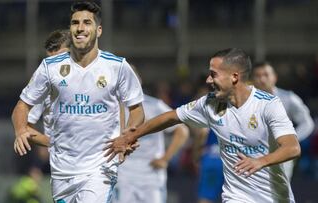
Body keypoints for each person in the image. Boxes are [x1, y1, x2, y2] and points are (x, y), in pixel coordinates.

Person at [105, 48, 301, 202]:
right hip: (237, 197)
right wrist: (132, 135)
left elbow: (292, 148)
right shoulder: (209, 104)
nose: (208, 80)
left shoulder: (268, 105)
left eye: (213, 74)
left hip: (276, 197)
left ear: (234, 76)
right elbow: (171, 117)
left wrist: (260, 161)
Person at [11, 1, 145, 203]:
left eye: (87, 23)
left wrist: (127, 135)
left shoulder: (117, 66)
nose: (80, 28)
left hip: (100, 168)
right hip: (62, 171)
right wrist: (21, 130)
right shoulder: (50, 68)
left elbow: (137, 110)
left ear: (98, 30)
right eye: (75, 23)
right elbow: (22, 107)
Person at [113, 66, 189, 203]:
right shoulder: (112, 108)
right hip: (123, 175)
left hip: (151, 175)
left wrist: (165, 158)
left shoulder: (155, 105)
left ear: (138, 82)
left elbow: (182, 131)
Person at [252, 62, 314, 180]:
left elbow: (307, 122)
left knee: (279, 193)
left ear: (274, 77)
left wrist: (291, 140)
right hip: (253, 153)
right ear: (252, 79)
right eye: (257, 75)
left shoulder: (288, 98)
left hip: (280, 154)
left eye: (266, 74)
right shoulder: (245, 101)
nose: (262, 79)